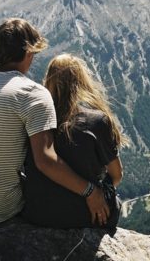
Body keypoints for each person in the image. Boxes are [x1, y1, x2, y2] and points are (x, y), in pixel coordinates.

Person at [0, 18, 110, 227]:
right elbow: (46, 160)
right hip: (0, 208)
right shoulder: (33, 94)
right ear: (28, 53)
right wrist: (91, 191)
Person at [21, 53, 124, 229]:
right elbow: (116, 175)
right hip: (87, 215)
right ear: (82, 81)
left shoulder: (35, 117)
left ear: (49, 81)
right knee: (117, 203)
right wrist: (95, 191)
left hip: (38, 213)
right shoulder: (97, 121)